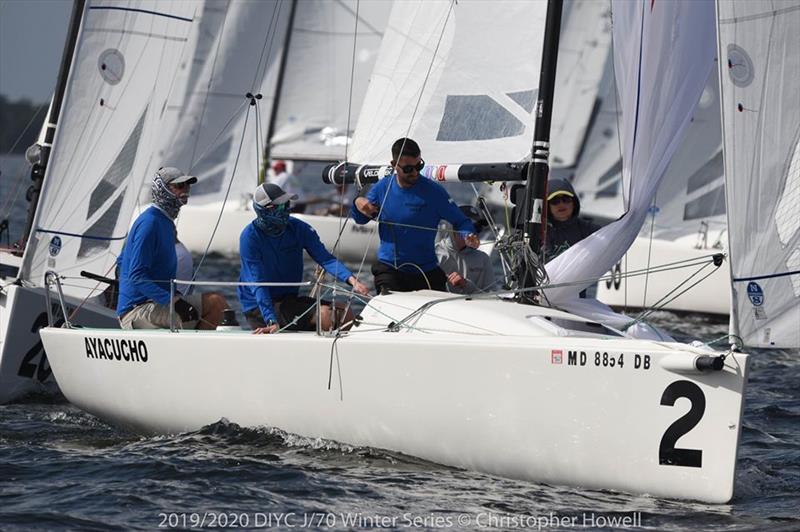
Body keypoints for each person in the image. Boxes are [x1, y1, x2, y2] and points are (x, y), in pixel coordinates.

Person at [351, 137, 480, 293]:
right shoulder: (382, 188)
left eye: (419, 165)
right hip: (390, 269)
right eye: (408, 169)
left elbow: (461, 221)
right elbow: (361, 219)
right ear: (394, 165)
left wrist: (468, 234)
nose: (415, 172)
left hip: (426, 269)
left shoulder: (434, 192)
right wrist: (357, 203)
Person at [239, 182, 370, 334]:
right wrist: (271, 320)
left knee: (344, 312)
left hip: (288, 300)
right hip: (258, 307)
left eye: (287, 204)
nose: (287, 210)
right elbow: (258, 283)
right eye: (281, 206)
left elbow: (325, 259)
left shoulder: (298, 228)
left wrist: (352, 280)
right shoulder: (250, 238)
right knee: (327, 315)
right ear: (265, 210)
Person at [117, 167, 228, 329]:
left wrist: (174, 299)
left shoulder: (165, 222)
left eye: (187, 186)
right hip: (136, 311)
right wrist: (173, 301)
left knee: (218, 304)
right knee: (214, 304)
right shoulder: (150, 223)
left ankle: (197, 352)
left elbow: (121, 260)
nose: (186, 190)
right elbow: (136, 275)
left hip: (156, 305)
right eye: (180, 186)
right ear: (162, 189)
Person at [436, 205, 496, 294]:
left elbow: (493, 297)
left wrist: (466, 285)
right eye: (470, 226)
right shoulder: (434, 254)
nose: (474, 231)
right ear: (454, 226)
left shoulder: (483, 259)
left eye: (478, 227)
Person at [545, 178, 601, 260]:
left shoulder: (589, 229)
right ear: (547, 206)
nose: (561, 204)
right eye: (555, 201)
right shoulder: (541, 232)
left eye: (566, 199)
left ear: (574, 203)